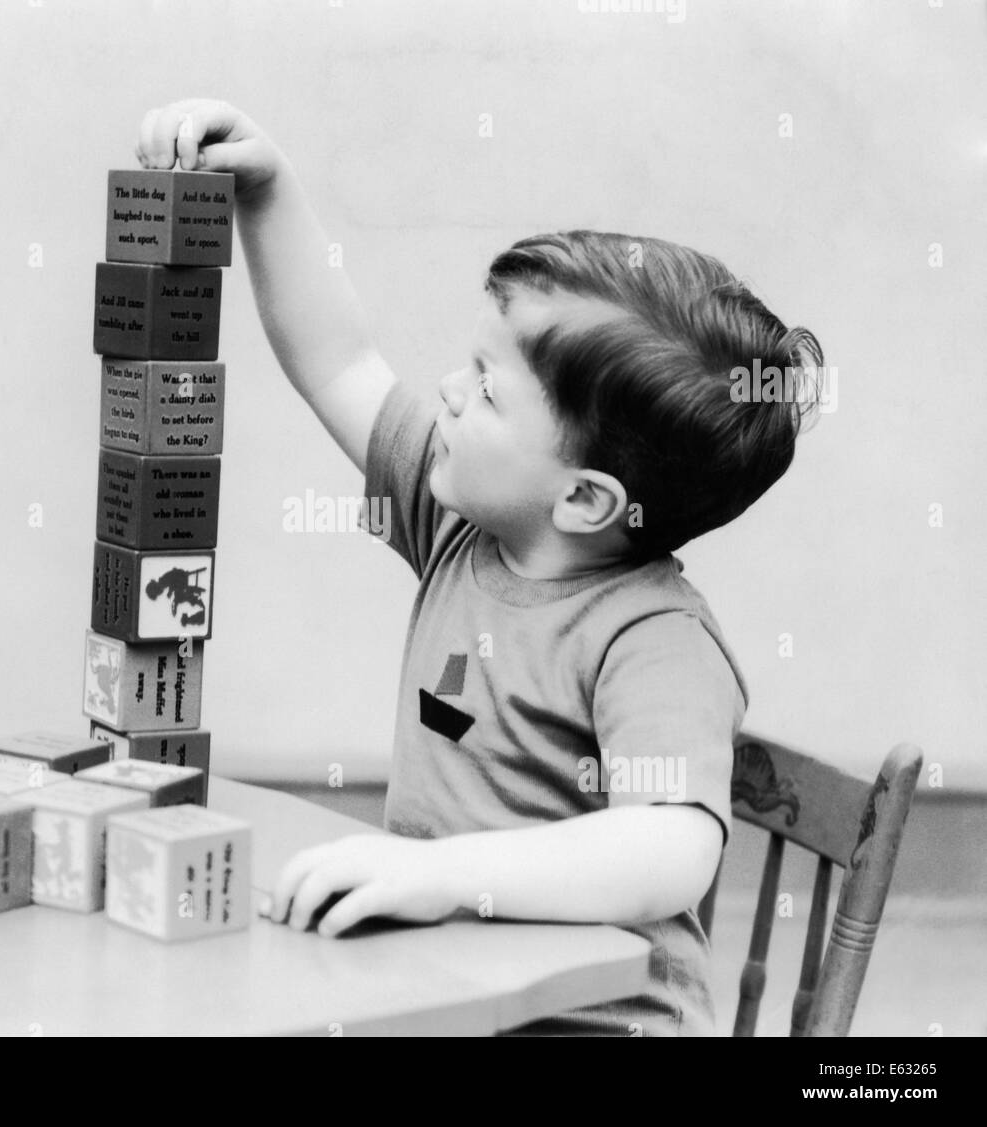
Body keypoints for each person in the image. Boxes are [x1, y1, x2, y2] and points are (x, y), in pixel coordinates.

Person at [133, 100, 822, 1035]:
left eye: (489, 389)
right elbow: (339, 360)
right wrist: (270, 190)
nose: (450, 390)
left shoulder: (655, 639)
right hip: (454, 987)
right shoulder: (465, 525)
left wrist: (441, 872)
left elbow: (672, 846)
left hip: (600, 1019)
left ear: (582, 499)